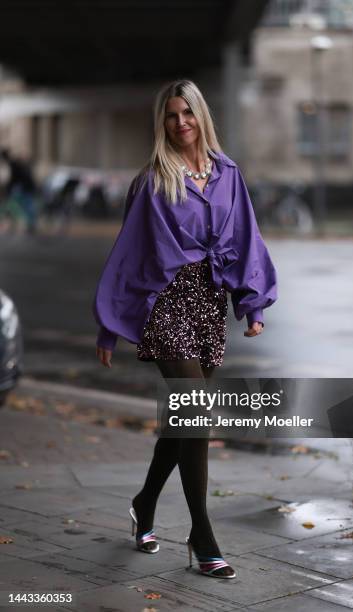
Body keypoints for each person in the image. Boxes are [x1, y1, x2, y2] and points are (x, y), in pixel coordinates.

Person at [93, 79, 277, 579]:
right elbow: (129, 254)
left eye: (188, 113)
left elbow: (246, 236)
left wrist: (252, 301)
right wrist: (110, 325)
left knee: (182, 421)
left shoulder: (228, 173)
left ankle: (144, 504)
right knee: (196, 415)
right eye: (172, 115)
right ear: (163, 123)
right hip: (167, 300)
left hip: (209, 301)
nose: (181, 123)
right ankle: (202, 534)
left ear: (201, 116)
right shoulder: (152, 179)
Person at [0, 149, 37, 234]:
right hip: (24, 188)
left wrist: (9, 188)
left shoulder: (13, 164)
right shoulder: (15, 163)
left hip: (24, 188)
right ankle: (29, 224)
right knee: (25, 205)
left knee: (24, 205)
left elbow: (14, 179)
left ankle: (30, 224)